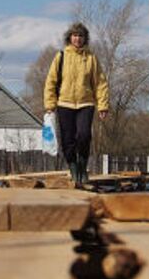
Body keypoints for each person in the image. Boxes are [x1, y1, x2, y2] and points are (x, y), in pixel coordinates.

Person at [44, 22, 109, 186]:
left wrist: (103, 105)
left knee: (84, 135)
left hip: (85, 103)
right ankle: (73, 169)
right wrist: (50, 104)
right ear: (69, 38)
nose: (77, 39)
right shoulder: (61, 56)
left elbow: (100, 83)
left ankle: (82, 167)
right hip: (64, 103)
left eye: (80, 36)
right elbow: (51, 81)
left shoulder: (91, 58)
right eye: (74, 35)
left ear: (85, 38)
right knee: (68, 140)